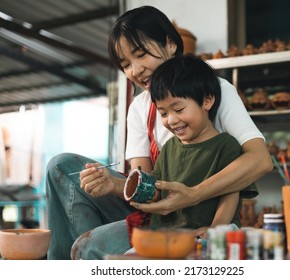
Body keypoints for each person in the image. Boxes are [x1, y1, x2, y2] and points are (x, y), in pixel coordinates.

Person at [45, 5, 272, 260]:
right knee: (59, 166)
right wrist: (114, 185)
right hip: (160, 214)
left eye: (141, 55)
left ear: (171, 44)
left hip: (203, 215)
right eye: (126, 65)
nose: (136, 70)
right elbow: (145, 184)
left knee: (91, 246)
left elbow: (260, 160)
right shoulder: (140, 108)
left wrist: (192, 196)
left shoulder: (215, 90)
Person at [72, 54, 258, 259]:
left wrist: (215, 228)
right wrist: (117, 184)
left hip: (206, 232)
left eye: (178, 109)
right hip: (166, 234)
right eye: (163, 113)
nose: (171, 120)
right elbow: (155, 190)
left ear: (207, 100)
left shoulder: (226, 145)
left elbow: (230, 192)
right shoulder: (169, 147)